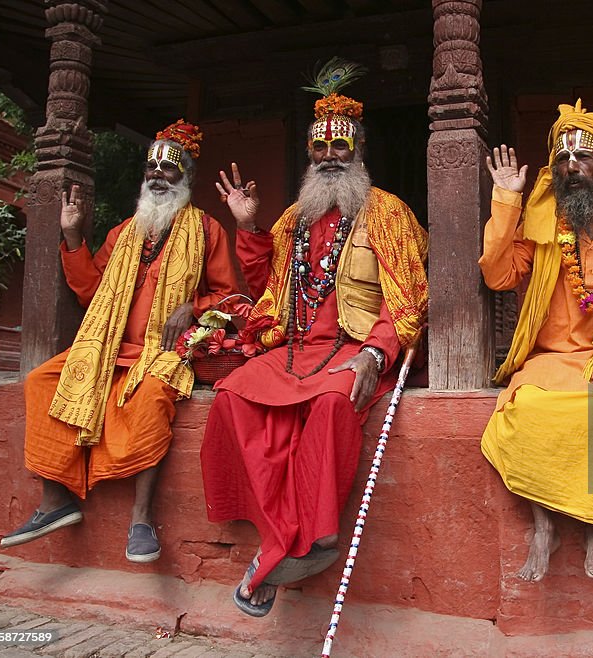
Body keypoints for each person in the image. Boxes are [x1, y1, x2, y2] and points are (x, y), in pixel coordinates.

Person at [202, 58, 428, 617]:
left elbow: (410, 297)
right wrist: (249, 227)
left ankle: (314, 539)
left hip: (354, 350)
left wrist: (377, 352)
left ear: (359, 153)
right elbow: (264, 283)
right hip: (293, 350)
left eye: (340, 148)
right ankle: (282, 536)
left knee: (332, 404)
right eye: (320, 148)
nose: (330, 157)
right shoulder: (292, 218)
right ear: (309, 155)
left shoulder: (388, 213)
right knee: (231, 396)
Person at [1, 120, 239, 561]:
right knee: (40, 380)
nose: (157, 176)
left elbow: (228, 298)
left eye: (169, 169)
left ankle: (141, 519)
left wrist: (193, 307)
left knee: (151, 396)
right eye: (151, 168)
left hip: (165, 353)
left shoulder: (208, 231)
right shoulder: (123, 233)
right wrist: (73, 235)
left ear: (186, 176)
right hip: (108, 347)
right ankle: (56, 501)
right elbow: (91, 289)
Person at [479, 100, 593, 581]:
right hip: (549, 358)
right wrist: (505, 202)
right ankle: (545, 528)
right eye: (562, 159)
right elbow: (499, 276)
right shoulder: (540, 220)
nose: (571, 167)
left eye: (583, 157)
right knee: (530, 409)